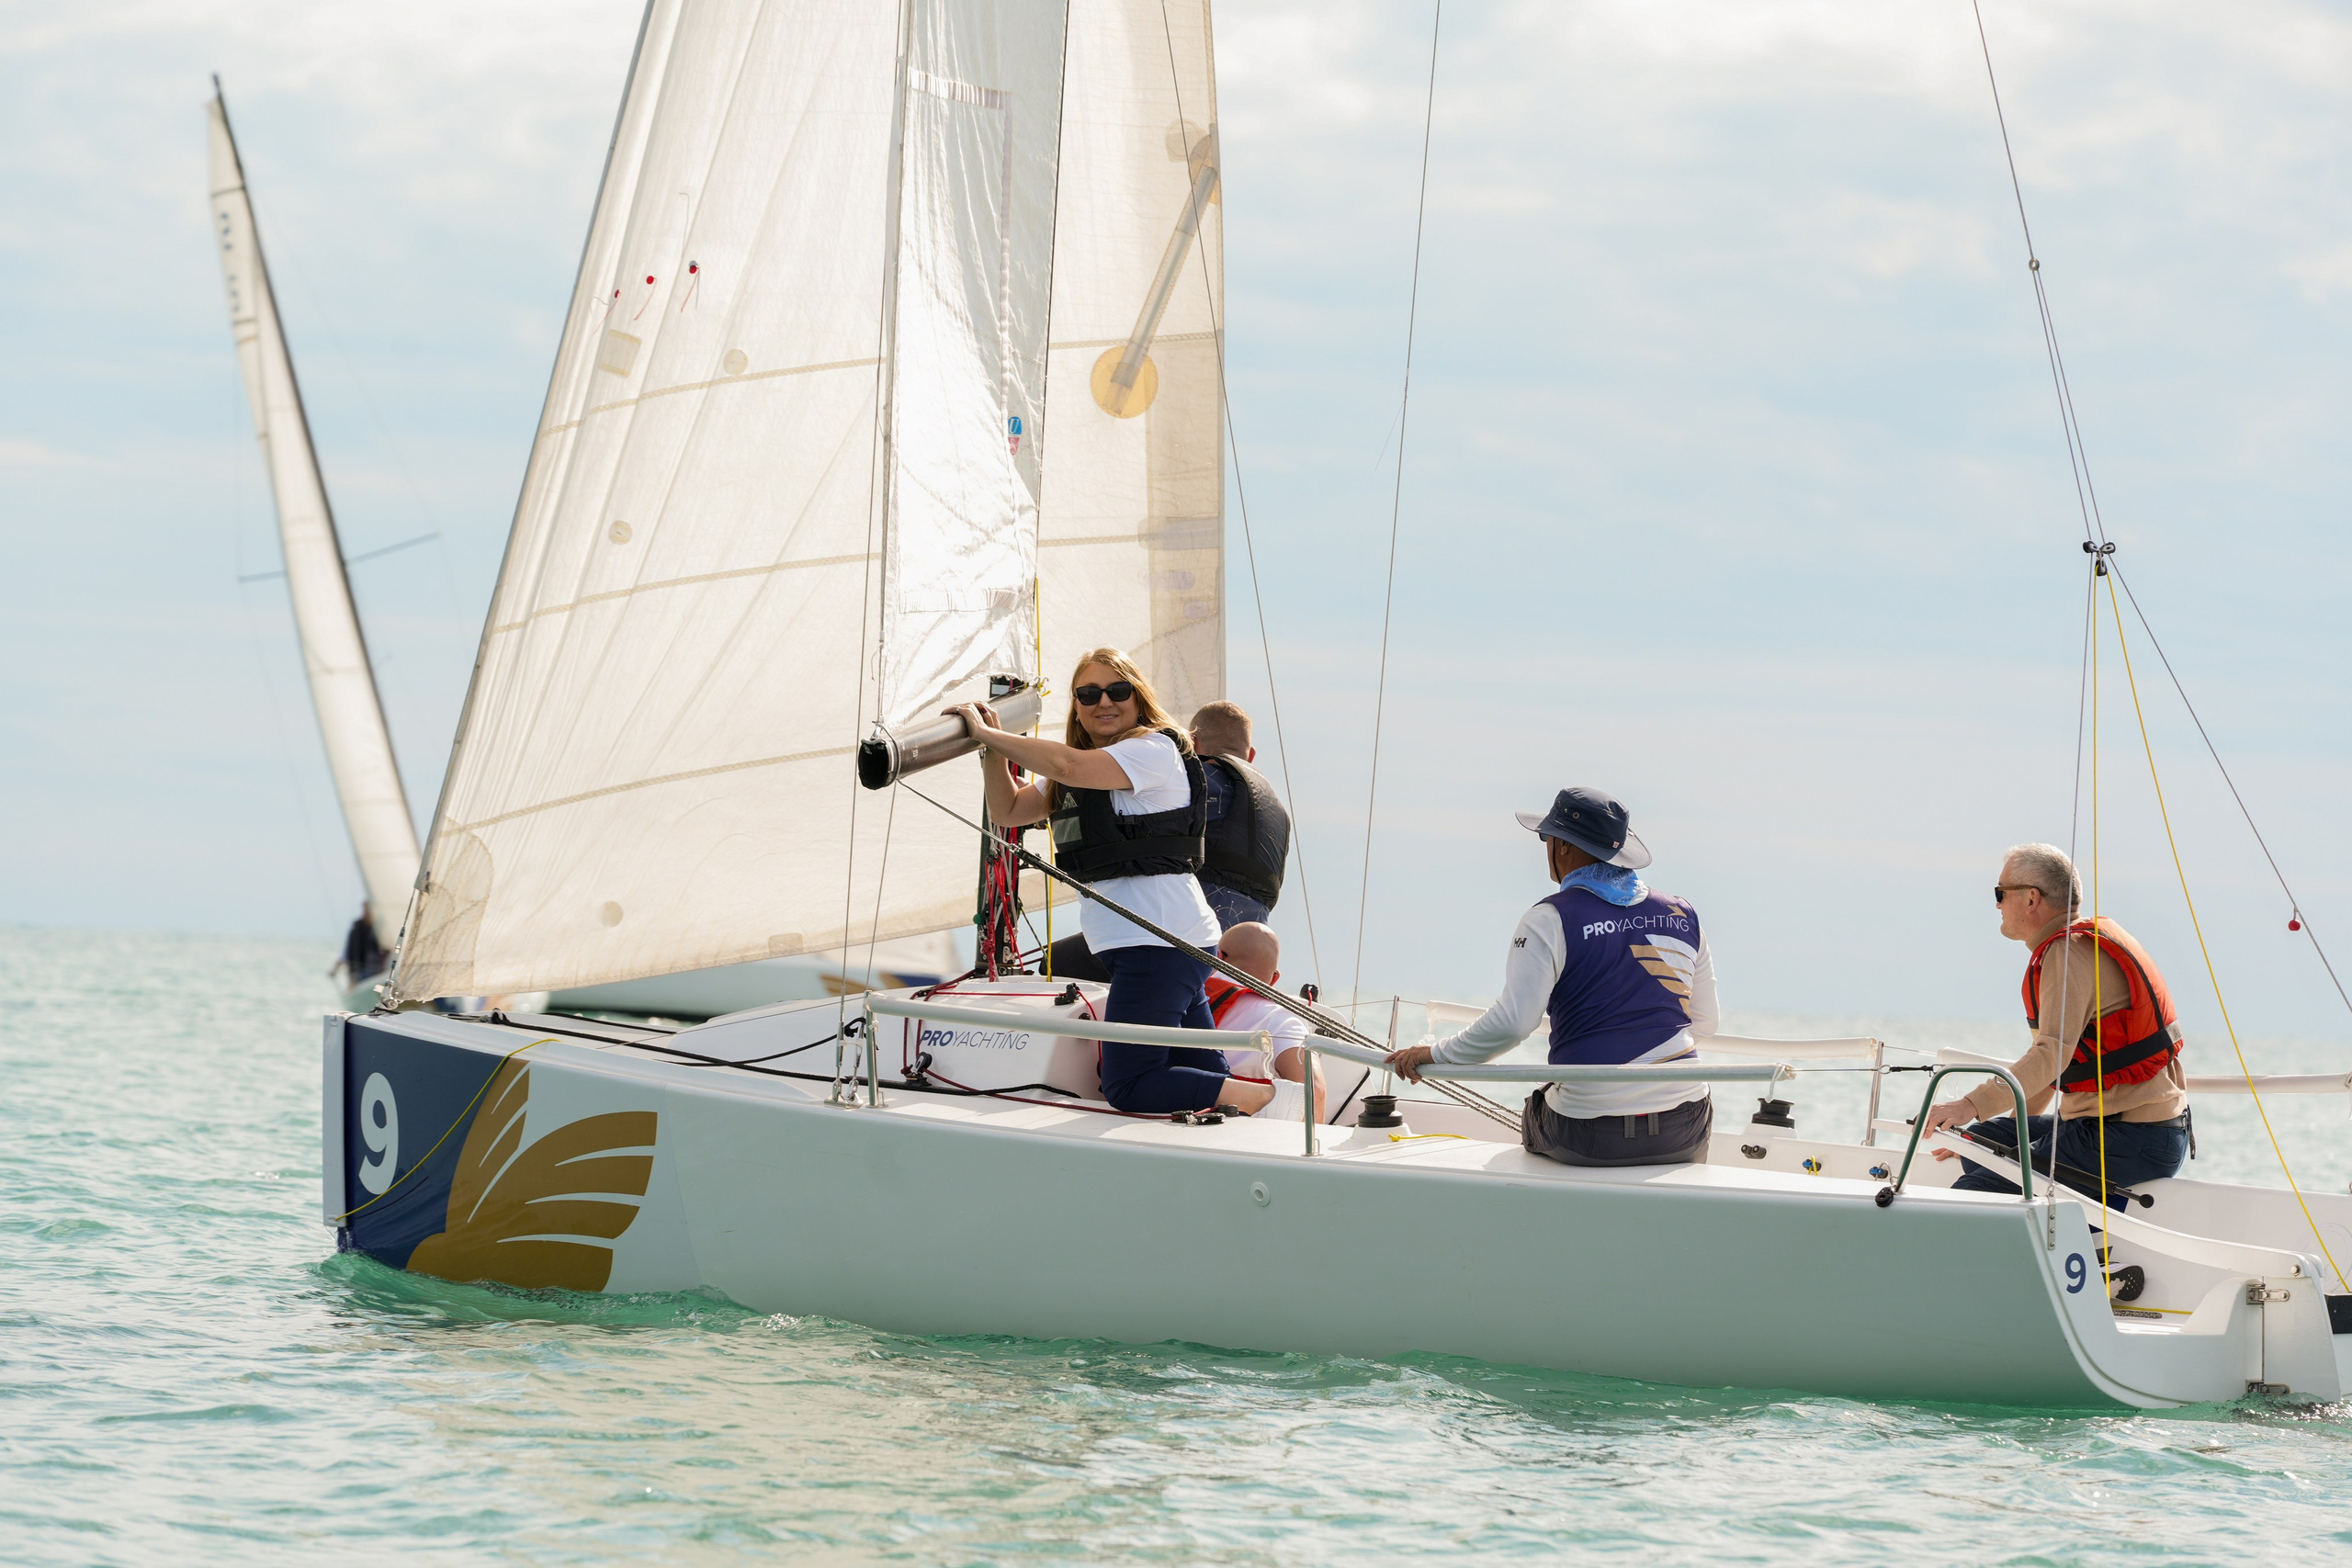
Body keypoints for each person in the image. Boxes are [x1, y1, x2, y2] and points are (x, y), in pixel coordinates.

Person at [946, 649, 1271, 1115]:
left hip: (1156, 945)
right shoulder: (1085, 767)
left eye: (1119, 691)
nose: (1105, 702)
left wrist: (987, 731)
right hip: (1166, 944)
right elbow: (1010, 811)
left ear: (1138, 699)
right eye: (1089, 693)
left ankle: (1250, 1094)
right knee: (1195, 1069)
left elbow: (1067, 767)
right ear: (1076, 705)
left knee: (1129, 1085)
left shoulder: (1153, 750)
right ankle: (1234, 1104)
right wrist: (991, 751)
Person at [1385, 786, 1719, 1167]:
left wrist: (1433, 1054)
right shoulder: (1683, 914)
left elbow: (1513, 1024)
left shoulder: (1549, 918)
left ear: (1561, 846)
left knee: (1539, 1106)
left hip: (1588, 1133)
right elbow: (1705, 1023)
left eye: (1546, 836)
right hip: (1687, 1125)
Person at [1919, 843, 2189, 1203]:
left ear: (2031, 898)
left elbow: (2051, 1055)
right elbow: (2057, 1062)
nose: (1997, 904)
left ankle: (2063, 1253)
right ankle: (2068, 1244)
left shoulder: (2067, 953)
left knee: (1976, 1193)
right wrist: (2006, 1136)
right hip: (2123, 1129)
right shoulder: (2074, 946)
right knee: (1977, 1147)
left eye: (2000, 893)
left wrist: (1968, 1105)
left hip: (2130, 1136)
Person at [1204, 921, 1325, 1122]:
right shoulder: (1280, 1019)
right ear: (1275, 978)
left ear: (1218, 957)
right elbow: (1314, 1092)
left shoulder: (1184, 999)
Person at [1189, 701, 1291, 931]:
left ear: (1191, 743)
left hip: (1194, 929)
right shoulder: (1277, 810)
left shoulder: (1193, 780)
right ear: (1251, 755)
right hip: (1245, 945)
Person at [340, 902, 386, 984]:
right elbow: (348, 950)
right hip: (361, 971)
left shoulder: (377, 929)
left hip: (377, 970)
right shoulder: (357, 929)